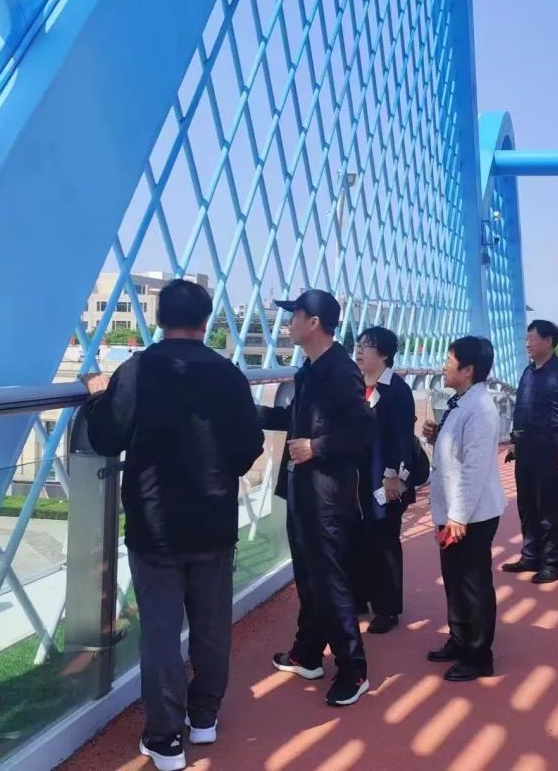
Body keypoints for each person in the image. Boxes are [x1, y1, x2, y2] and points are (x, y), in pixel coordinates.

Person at [82, 279, 264, 771]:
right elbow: (248, 447)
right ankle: (204, 717)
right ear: (205, 321)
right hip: (213, 521)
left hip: (154, 523)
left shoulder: (137, 370)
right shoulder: (228, 375)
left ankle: (165, 739)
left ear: (160, 319)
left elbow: (106, 437)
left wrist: (98, 395)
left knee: (161, 632)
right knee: (211, 625)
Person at [261, 289, 375, 706]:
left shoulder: (341, 371)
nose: (288, 322)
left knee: (329, 580)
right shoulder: (309, 369)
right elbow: (293, 419)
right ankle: (307, 653)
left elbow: (363, 431)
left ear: (313, 323)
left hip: (326, 495)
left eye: (294, 315)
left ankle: (354, 669)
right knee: (309, 578)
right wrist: (250, 412)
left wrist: (317, 447)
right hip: (302, 490)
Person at [421, 337, 506, 681]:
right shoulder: (462, 401)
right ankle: (460, 638)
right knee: (455, 579)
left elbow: (474, 468)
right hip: (455, 511)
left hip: (471, 514)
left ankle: (478, 654)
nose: (444, 365)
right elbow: (457, 450)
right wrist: (436, 436)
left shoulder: (481, 408)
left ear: (468, 369)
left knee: (473, 584)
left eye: (449, 360)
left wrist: (458, 516)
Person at [502, 320, 558, 583]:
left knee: (549, 508)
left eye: (531, 338)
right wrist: (515, 440)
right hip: (525, 449)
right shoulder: (528, 371)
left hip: (550, 449)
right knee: (526, 505)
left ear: (548, 341)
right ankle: (530, 555)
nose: (527, 343)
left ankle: (551, 563)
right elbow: (520, 409)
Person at [351, 326, 417, 634]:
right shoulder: (356, 385)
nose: (359, 351)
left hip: (386, 481)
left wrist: (394, 478)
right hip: (358, 480)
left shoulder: (397, 391)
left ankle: (387, 608)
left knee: (385, 540)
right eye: (359, 345)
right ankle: (360, 596)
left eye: (367, 346)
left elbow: (402, 439)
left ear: (385, 354)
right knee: (359, 537)